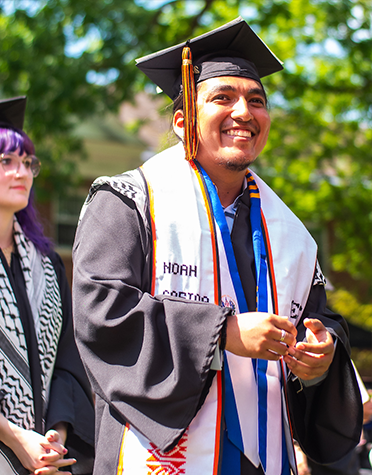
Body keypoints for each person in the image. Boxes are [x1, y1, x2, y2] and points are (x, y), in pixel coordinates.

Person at [72, 17, 362, 475]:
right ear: (184, 121)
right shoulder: (129, 202)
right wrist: (222, 335)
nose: (244, 112)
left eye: (256, 100)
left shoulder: (290, 234)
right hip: (160, 454)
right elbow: (101, 314)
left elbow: (323, 321)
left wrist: (319, 358)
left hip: (264, 458)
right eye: (222, 97)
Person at [0, 97, 94, 475]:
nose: (22, 172)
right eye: (6, 161)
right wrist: (16, 437)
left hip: (44, 455)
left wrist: (55, 438)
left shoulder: (45, 262)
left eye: (27, 162)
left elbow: (68, 358)